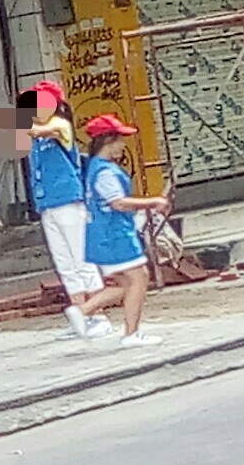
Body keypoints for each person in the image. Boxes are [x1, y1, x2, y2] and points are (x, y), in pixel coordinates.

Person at [64, 115, 169, 348]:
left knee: (126, 284)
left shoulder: (95, 168)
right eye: (120, 140)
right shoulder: (106, 172)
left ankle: (83, 310)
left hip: (104, 235)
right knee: (139, 278)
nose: (123, 145)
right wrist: (153, 202)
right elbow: (118, 203)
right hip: (115, 234)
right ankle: (130, 333)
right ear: (108, 141)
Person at [19, 81, 112, 340]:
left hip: (69, 201)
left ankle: (99, 316)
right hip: (47, 204)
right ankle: (81, 315)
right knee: (65, 264)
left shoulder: (60, 126)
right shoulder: (35, 137)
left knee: (82, 260)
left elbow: (37, 130)